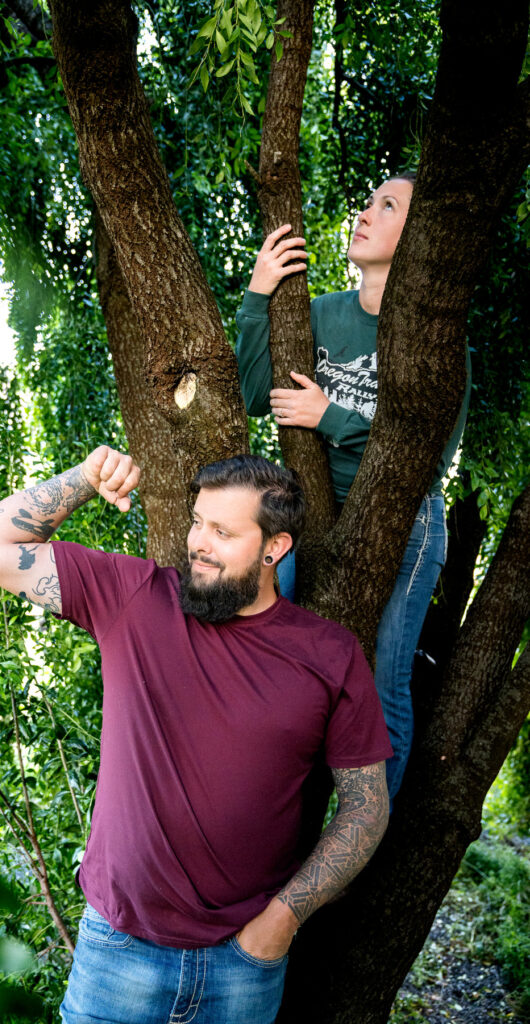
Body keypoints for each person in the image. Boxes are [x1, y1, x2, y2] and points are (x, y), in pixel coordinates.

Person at [0, 444, 392, 1024]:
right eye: (196, 522)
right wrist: (86, 479)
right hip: (118, 956)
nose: (198, 543)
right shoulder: (134, 598)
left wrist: (281, 921)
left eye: (222, 531)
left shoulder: (329, 655)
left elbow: (366, 805)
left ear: (275, 547)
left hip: (244, 967)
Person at [235, 174, 471, 801]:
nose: (365, 213)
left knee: (381, 679)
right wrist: (259, 294)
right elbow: (257, 393)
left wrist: (328, 417)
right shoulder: (322, 315)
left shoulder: (439, 345)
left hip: (407, 529)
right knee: (273, 658)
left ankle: (363, 846)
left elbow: (426, 460)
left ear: (418, 237)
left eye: (387, 205)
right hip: (312, 518)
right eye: (369, 201)